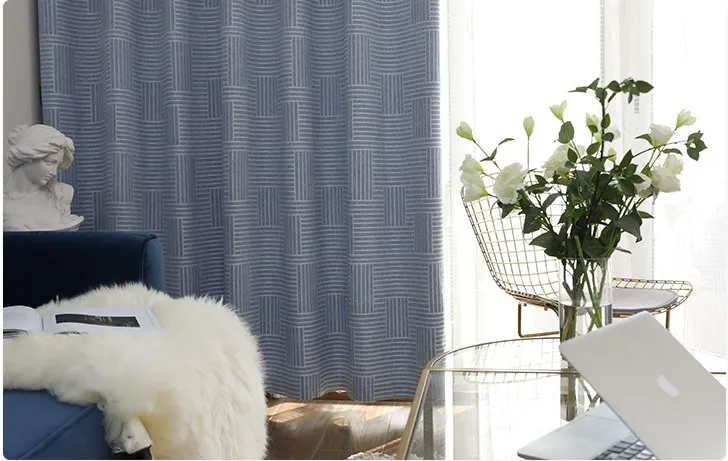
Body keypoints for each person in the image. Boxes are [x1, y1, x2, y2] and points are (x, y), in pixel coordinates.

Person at [3, 124, 84, 231]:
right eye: (50, 162)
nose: (54, 173)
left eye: (57, 165)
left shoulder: (61, 195)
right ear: (28, 156)